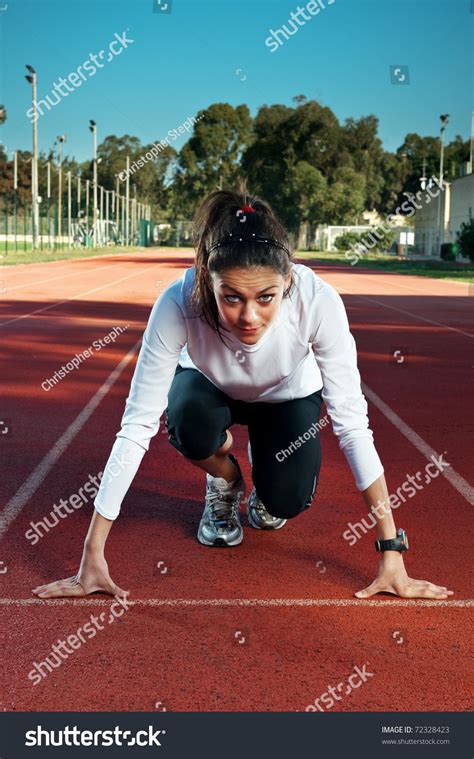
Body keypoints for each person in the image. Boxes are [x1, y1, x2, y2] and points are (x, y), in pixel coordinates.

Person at [32, 188, 453, 601]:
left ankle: (268, 477)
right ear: (206, 282)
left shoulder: (317, 301)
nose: (249, 317)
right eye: (230, 298)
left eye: (266, 298)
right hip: (210, 388)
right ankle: (226, 478)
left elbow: (352, 425)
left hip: (286, 396)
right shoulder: (179, 302)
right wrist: (92, 553)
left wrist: (391, 552)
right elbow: (137, 424)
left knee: (286, 502)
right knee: (186, 418)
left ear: (288, 281)